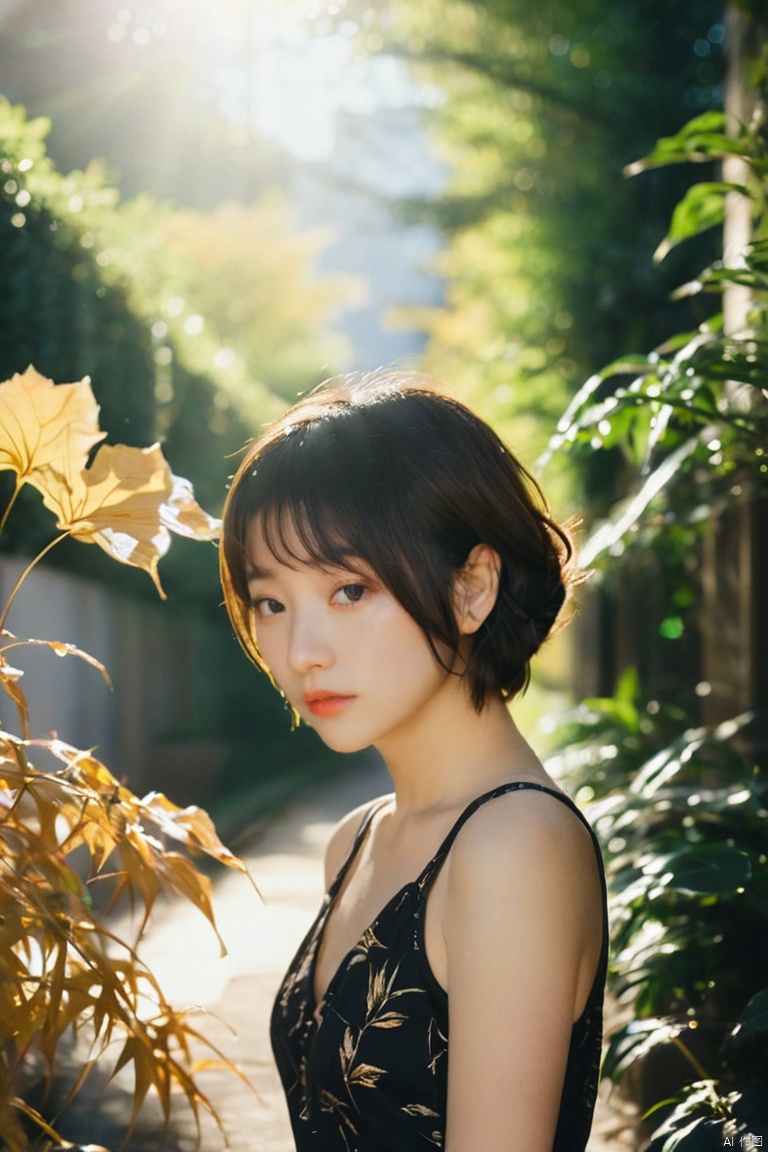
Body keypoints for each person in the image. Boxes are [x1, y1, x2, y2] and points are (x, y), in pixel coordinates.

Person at [219, 371, 607, 1152]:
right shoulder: (357, 841)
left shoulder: (514, 848)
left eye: (350, 590)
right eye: (272, 602)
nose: (301, 652)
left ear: (472, 589)